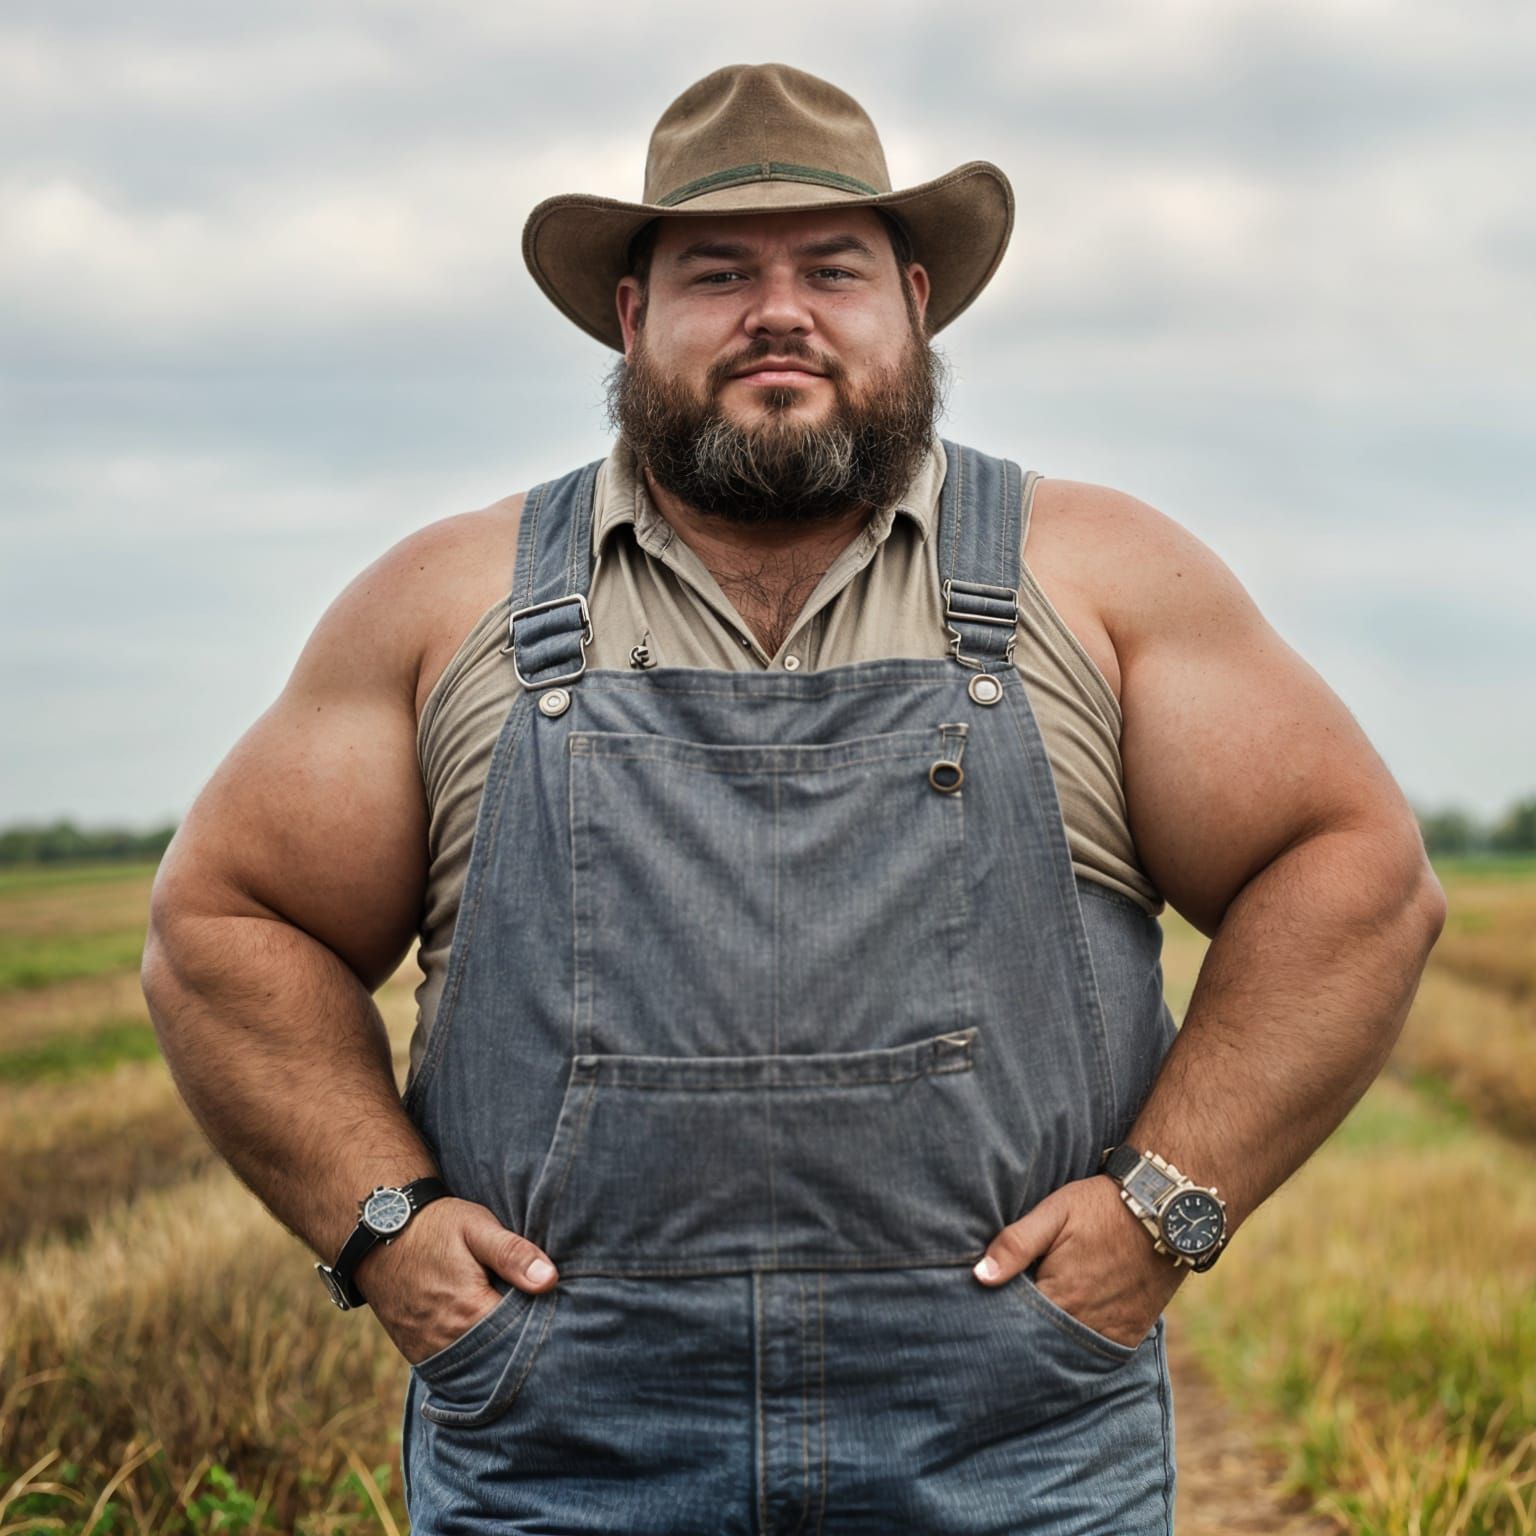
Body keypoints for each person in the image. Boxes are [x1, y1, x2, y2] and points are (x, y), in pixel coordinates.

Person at [141, 61, 1446, 1535]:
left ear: (914, 303)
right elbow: (222, 922)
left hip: (1014, 1450)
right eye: (719, 273)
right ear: (632, 318)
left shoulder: (1102, 583)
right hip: (566, 1453)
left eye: (831, 268)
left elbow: (1355, 872)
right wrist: (381, 1230)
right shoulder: (450, 606)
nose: (781, 311)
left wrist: (1165, 1209)